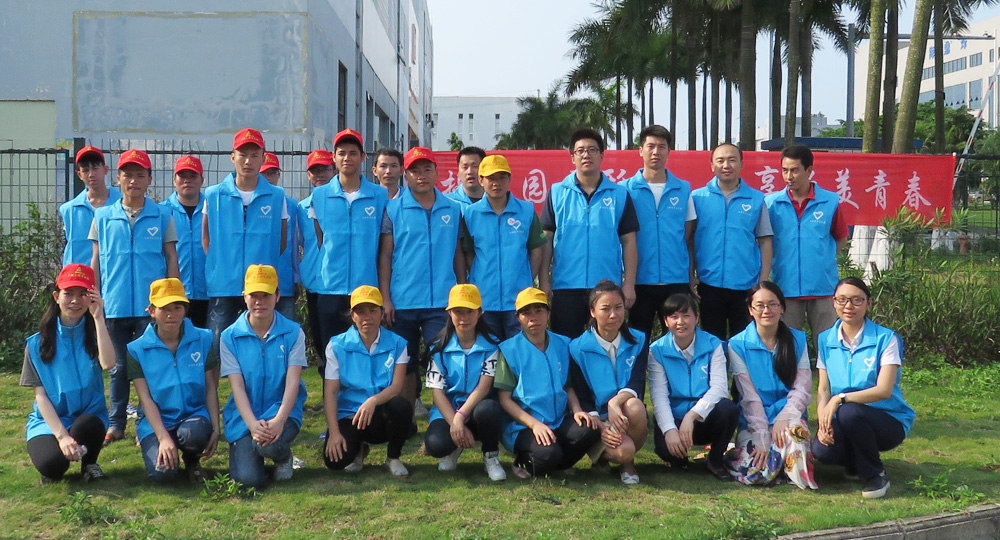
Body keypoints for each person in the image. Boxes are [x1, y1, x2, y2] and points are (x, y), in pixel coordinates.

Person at [90, 149, 179, 446]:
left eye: (140, 175)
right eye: (128, 175)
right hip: (114, 305)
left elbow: (171, 257)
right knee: (117, 369)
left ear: (149, 179)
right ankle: (115, 423)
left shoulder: (162, 214)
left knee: (149, 368)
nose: (134, 181)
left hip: (149, 307)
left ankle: (147, 423)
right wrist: (95, 297)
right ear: (118, 178)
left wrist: (172, 298)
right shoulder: (102, 216)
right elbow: (96, 260)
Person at [378, 146, 465, 420]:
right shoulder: (393, 209)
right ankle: (405, 419)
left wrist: (462, 291)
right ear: (406, 175)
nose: (422, 175)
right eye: (415, 170)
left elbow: (458, 253)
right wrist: (386, 298)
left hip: (442, 301)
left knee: (444, 356)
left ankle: (446, 417)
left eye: (427, 169)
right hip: (402, 300)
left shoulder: (453, 208)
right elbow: (385, 256)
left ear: (437, 172)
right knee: (404, 363)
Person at [812, 277, 915, 499]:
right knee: (822, 451)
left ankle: (875, 474)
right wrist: (823, 421)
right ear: (834, 302)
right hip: (845, 415)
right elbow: (823, 389)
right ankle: (856, 462)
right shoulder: (825, 339)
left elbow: (884, 390)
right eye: (842, 300)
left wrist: (840, 399)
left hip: (887, 419)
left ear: (869, 303)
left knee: (850, 411)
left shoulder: (886, 338)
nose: (848, 306)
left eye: (856, 300)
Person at [540, 128, 639, 339]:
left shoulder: (619, 194)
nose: (586, 155)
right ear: (572, 157)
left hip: (606, 287)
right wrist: (544, 281)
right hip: (566, 286)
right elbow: (546, 239)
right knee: (566, 346)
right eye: (581, 151)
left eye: (592, 150)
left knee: (606, 346)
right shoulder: (557, 192)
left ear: (602, 155)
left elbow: (629, 242)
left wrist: (629, 283)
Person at [494, 287, 601, 478]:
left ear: (548, 313)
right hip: (524, 425)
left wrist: (577, 410)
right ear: (518, 318)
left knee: (590, 429)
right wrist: (534, 425)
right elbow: (505, 399)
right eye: (526, 313)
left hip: (558, 419)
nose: (533, 318)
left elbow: (567, 385)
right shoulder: (509, 350)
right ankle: (525, 461)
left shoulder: (563, 343)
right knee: (550, 454)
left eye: (539, 311)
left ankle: (554, 463)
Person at [21, 263, 114, 483]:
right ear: (56, 296)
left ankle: (89, 464)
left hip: (88, 417)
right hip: (50, 420)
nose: (75, 300)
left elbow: (109, 363)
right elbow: (41, 396)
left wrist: (99, 318)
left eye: (83, 294)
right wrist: (62, 437)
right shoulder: (36, 344)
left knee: (90, 424)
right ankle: (59, 454)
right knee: (52, 466)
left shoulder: (96, 333)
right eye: (69, 293)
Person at [203, 128, 288, 363]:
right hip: (223, 284)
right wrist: (220, 264)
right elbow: (206, 238)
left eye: (254, 155)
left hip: (261, 286)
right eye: (242, 155)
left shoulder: (276, 196)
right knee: (216, 349)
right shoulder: (213, 195)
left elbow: (281, 241)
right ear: (233, 157)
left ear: (263, 158)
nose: (248, 161)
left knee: (260, 348)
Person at [220, 265, 307, 489]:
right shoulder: (229, 336)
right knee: (247, 481)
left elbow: (292, 382)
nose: (260, 302)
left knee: (266, 445)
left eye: (266, 295)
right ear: (244, 297)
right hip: (243, 417)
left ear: (277, 296)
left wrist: (279, 420)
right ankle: (257, 455)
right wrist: (251, 424)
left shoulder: (294, 332)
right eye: (254, 295)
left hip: (281, 411)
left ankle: (283, 457)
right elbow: (237, 387)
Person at [724, 282, 817, 489]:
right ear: (750, 310)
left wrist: (785, 417)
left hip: (789, 417)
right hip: (755, 420)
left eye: (773, 304)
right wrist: (762, 437)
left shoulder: (798, 340)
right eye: (760, 305)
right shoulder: (737, 345)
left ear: (782, 307)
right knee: (755, 470)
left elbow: (802, 387)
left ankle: (780, 465)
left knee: (796, 438)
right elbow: (749, 396)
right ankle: (775, 464)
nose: (766, 310)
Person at [312, 130, 389, 378]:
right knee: (331, 355)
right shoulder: (319, 195)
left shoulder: (379, 195)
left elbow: (383, 243)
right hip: (329, 288)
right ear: (333, 157)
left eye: (353, 153)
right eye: (342, 153)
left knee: (366, 351)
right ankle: (333, 401)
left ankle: (365, 399)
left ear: (363, 157)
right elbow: (319, 240)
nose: (347, 158)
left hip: (365, 287)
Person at [128, 278, 219, 484]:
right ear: (152, 311)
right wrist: (162, 437)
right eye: (164, 308)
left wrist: (215, 428)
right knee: (162, 474)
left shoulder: (203, 339)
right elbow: (145, 399)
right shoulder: (136, 349)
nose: (171, 314)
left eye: (177, 307)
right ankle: (167, 449)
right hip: (156, 421)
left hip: (194, 417)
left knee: (195, 435)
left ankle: (192, 460)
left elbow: (210, 388)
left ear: (185, 309)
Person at [322, 285, 413, 477]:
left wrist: (373, 401)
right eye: (360, 312)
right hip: (349, 415)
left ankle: (393, 458)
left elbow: (397, 387)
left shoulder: (398, 343)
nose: (367, 317)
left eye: (373, 310)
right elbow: (330, 392)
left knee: (401, 406)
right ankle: (358, 450)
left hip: (381, 412)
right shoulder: (336, 345)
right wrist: (334, 432)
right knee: (335, 462)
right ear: (352, 315)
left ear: (381, 312)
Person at [648, 293, 737, 481]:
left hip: (705, 417)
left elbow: (720, 388)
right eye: (674, 316)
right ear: (666, 321)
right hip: (675, 417)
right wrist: (670, 430)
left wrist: (692, 415)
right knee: (666, 450)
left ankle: (715, 460)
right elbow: (659, 395)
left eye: (686, 315)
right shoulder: (657, 350)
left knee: (729, 409)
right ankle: (680, 458)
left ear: (696, 318)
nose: (680, 322)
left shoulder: (714, 345)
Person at [765, 145, 849, 341]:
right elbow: (764, 242)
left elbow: (841, 237)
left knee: (828, 346)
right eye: (785, 170)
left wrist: (822, 260)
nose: (789, 176)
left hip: (823, 289)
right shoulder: (771, 204)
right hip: (785, 288)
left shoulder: (829, 201)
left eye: (795, 170)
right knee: (788, 346)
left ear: (809, 170)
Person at [568, 280, 648, 485]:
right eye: (606, 309)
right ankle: (604, 458)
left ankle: (628, 465)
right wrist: (600, 429)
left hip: (625, 412)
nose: (613, 315)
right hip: (597, 418)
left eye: (618, 307)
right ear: (593, 312)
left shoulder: (638, 340)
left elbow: (637, 383)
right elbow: (582, 395)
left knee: (636, 406)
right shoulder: (577, 348)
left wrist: (614, 403)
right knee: (624, 450)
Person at [423, 284, 506, 481]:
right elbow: (437, 393)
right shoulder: (437, 347)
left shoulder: (493, 345)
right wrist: (455, 422)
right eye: (458, 311)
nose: (464, 318)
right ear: (449, 313)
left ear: (480, 313)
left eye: (470, 311)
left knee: (488, 410)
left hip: (480, 408)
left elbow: (484, 387)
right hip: (449, 410)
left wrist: (460, 417)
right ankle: (454, 446)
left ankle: (491, 456)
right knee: (436, 445)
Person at [621, 125, 697, 340]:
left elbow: (687, 235)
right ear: (640, 150)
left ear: (669, 151)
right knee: (638, 341)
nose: (656, 152)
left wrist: (690, 274)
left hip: (676, 281)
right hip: (640, 281)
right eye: (651, 146)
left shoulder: (683, 189)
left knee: (679, 342)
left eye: (661, 147)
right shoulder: (624, 190)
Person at [691, 143, 773, 340]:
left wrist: (762, 281)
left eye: (732, 160)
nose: (726, 165)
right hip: (708, 284)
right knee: (712, 343)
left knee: (744, 343)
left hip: (746, 286)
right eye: (720, 160)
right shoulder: (697, 198)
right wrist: (690, 274)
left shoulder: (756, 199)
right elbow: (689, 240)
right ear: (712, 165)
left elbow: (765, 242)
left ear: (741, 164)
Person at [462, 154, 547, 340]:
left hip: (519, 300)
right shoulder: (470, 214)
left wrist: (524, 278)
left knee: (519, 350)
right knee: (489, 352)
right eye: (491, 178)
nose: (496, 183)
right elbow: (469, 254)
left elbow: (536, 252)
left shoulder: (526, 210)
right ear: (481, 180)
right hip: (484, 300)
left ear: (509, 179)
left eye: (502, 177)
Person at [161, 155, 208, 327]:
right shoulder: (162, 212)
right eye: (182, 176)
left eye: (193, 176)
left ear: (202, 180)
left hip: (209, 292)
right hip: (174, 295)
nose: (187, 180)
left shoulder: (213, 209)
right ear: (174, 180)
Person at [298, 149, 335, 366]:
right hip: (313, 281)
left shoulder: (340, 202)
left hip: (337, 281)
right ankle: (325, 379)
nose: (320, 174)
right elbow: (299, 243)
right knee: (319, 336)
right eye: (315, 170)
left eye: (325, 169)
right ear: (308, 175)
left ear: (334, 170)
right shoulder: (301, 208)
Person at [60, 146, 122, 266]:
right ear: (79, 174)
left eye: (95, 168)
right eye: (85, 170)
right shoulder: (68, 210)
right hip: (79, 274)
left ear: (105, 170)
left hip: (113, 272)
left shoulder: (121, 206)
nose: (91, 174)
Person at [260, 152, 299, 321]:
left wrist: (296, 276)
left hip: (283, 279)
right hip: (258, 280)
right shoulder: (251, 202)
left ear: (278, 175)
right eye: (265, 173)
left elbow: (295, 243)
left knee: (287, 325)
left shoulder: (291, 204)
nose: (269, 178)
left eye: (273, 173)